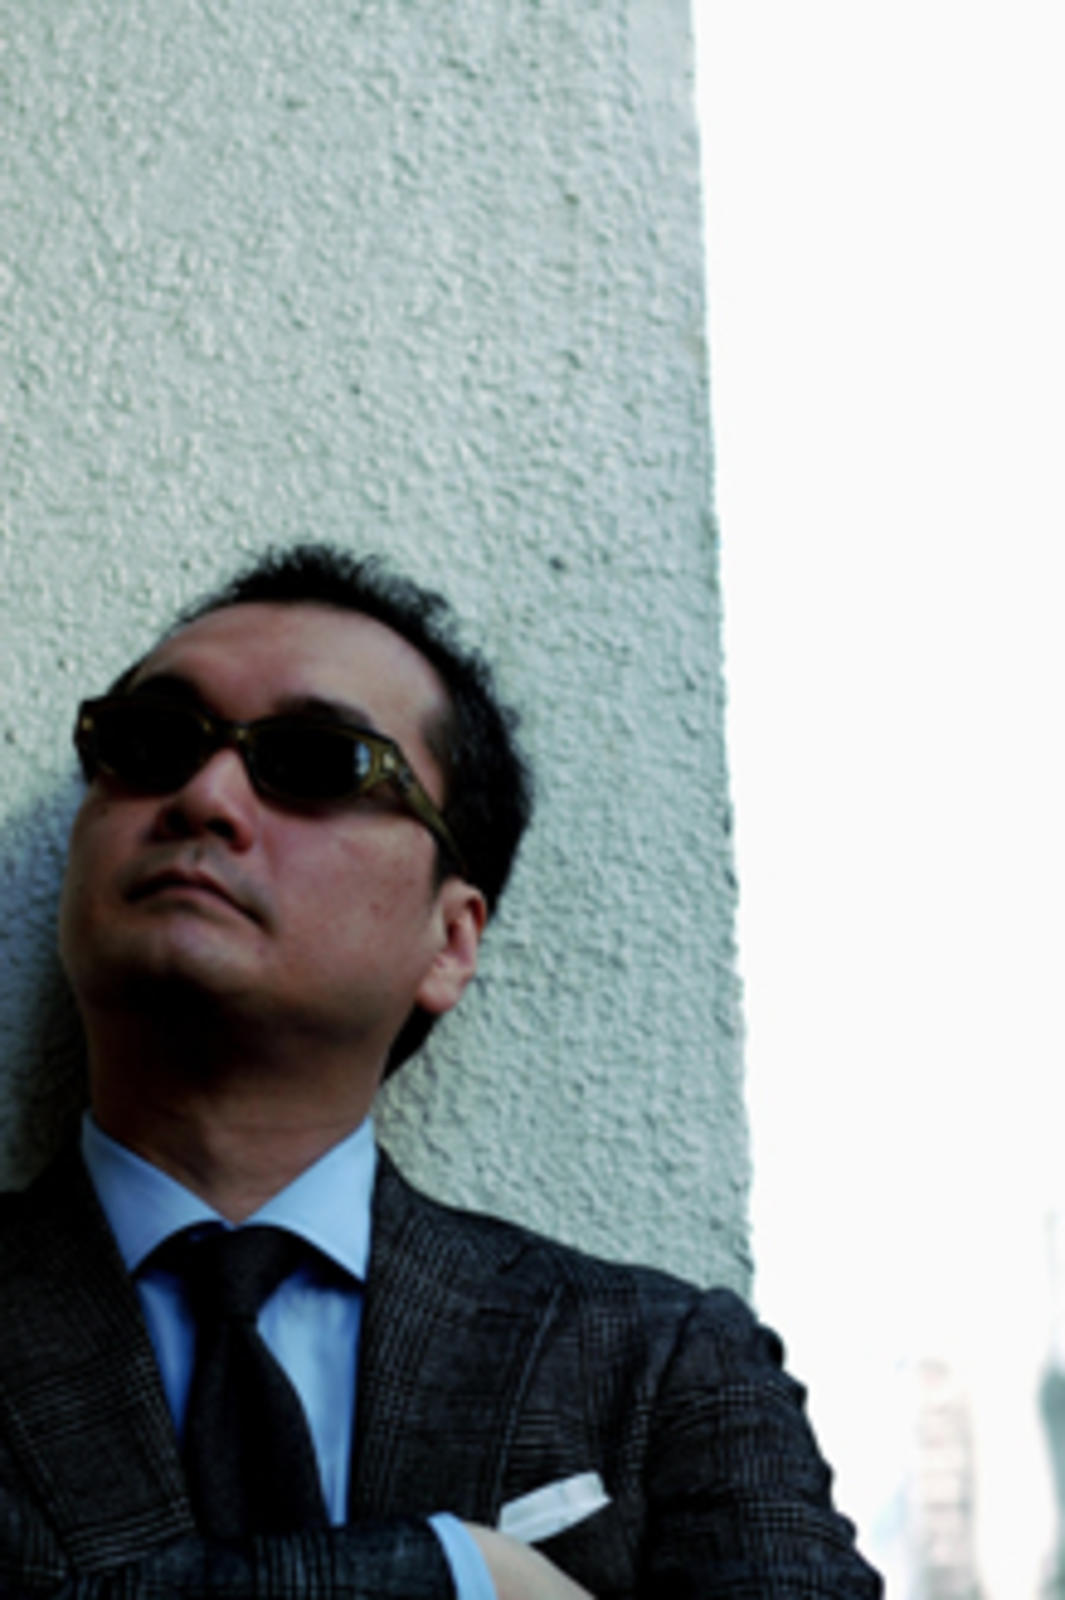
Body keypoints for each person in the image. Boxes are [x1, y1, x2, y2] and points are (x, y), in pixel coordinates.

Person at [0, 543, 882, 1597]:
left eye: (317, 761)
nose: (204, 795)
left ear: (450, 941)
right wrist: (461, 1574)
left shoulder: (660, 1367)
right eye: (150, 741)